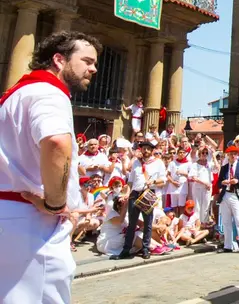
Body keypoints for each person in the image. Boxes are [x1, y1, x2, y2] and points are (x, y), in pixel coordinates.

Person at [0, 31, 100, 303]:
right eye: (87, 61)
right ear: (59, 59)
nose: (93, 69)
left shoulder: (17, 94)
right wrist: (56, 204)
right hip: (35, 224)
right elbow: (56, 142)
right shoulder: (50, 92)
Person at [118, 141, 166, 260]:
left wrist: (153, 182)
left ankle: (145, 249)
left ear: (152, 150)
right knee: (132, 223)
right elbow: (131, 181)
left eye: (148, 149)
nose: (145, 151)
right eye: (143, 149)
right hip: (135, 194)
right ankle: (126, 249)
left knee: (148, 223)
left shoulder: (158, 163)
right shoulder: (136, 163)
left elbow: (164, 180)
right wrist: (127, 194)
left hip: (148, 193)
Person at [216, 145, 239, 253]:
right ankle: (228, 245)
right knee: (226, 222)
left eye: (234, 154)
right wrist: (222, 182)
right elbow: (218, 183)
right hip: (226, 195)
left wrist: (238, 181)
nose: (232, 156)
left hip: (236, 195)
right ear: (228, 155)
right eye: (230, 154)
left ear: (237, 155)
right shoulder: (224, 168)